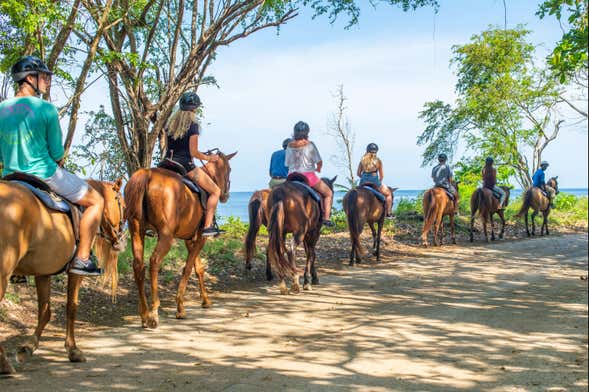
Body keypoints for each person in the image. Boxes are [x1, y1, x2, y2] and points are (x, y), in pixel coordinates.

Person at [0, 56, 104, 276]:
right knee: (96, 201)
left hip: (9, 176)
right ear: (29, 78)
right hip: (43, 173)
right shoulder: (46, 109)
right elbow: (57, 153)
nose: (47, 81)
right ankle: (83, 258)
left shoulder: (2, 109)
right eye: (44, 77)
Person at [164, 91, 222, 236]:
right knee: (216, 191)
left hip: (167, 162)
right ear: (195, 108)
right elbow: (193, 152)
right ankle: (208, 227)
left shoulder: (169, 125)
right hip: (185, 165)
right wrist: (210, 159)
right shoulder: (193, 125)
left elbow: (170, 146)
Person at [285, 121, 334, 227]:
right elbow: (319, 161)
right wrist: (318, 169)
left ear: (295, 132)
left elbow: (287, 163)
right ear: (307, 132)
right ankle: (326, 218)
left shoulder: (289, 145)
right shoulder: (310, 145)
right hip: (308, 176)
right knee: (328, 193)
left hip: (291, 176)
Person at [356, 143, 393, 218]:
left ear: (367, 151)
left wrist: (364, 177)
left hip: (363, 182)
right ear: (376, 151)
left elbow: (358, 174)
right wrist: (379, 182)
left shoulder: (362, 161)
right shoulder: (378, 161)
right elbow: (382, 175)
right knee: (388, 194)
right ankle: (388, 213)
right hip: (375, 182)